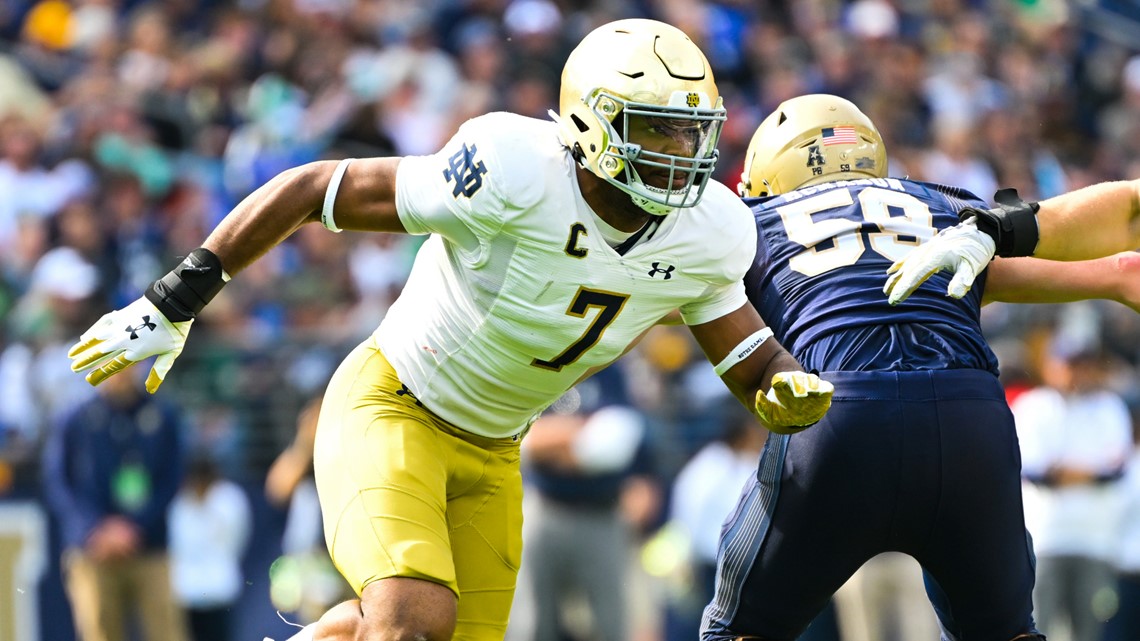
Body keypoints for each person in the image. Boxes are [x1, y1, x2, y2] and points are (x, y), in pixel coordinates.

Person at [66, 19, 834, 641]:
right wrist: (174, 299)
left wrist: (778, 384)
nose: (681, 154)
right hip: (394, 403)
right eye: (657, 130)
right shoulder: (512, 168)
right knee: (414, 617)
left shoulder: (710, 230)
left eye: (691, 132)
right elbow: (312, 189)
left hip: (497, 451)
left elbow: (742, 348)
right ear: (592, 126)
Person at [701, 93, 1140, 641]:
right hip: (969, 417)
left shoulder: (753, 223)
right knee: (1003, 633)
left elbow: (665, 295)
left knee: (739, 631)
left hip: (840, 414)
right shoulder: (944, 206)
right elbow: (1119, 265)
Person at [41, 366, 189, 641]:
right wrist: (94, 528)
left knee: (166, 631)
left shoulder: (162, 415)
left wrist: (135, 527)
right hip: (93, 549)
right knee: (100, 632)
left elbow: (172, 478)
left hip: (149, 546)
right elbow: (59, 482)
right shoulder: (75, 419)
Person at [1011, 333, 1133, 641]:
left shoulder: (1109, 406)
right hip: (1044, 540)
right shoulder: (1034, 406)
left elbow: (1114, 471)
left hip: (1096, 542)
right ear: (1051, 365)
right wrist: (1088, 472)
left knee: (1090, 631)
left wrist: (1064, 470)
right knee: (1038, 627)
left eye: (1083, 365)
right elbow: (1036, 472)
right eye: (1069, 364)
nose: (1076, 372)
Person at [168, 455, 253, 641]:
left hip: (220, 591)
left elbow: (239, 538)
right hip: (186, 593)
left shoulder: (230, 500)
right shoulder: (179, 504)